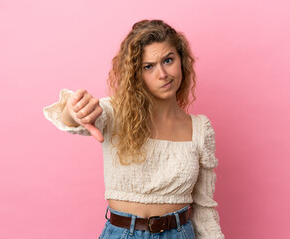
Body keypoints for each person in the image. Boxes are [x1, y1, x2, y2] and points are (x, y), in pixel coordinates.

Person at [43, 19, 224, 239]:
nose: (162, 74)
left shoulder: (200, 129)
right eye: (148, 66)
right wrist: (74, 111)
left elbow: (204, 209)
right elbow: (74, 119)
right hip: (122, 234)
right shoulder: (115, 112)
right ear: (136, 74)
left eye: (168, 60)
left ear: (181, 61)